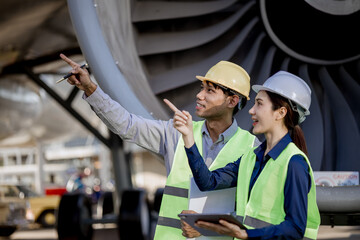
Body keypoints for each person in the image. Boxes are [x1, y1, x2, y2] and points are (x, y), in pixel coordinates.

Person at [60, 54, 260, 240]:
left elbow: (253, 214)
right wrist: (90, 88)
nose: (199, 95)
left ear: (232, 100)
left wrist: (206, 227)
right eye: (202, 88)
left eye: (210, 91)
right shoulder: (175, 133)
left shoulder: (252, 148)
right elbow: (128, 125)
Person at [170, 71, 320, 239]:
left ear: (281, 112)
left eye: (259, 104)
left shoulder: (294, 162)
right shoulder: (251, 158)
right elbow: (208, 182)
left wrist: (247, 234)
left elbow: (294, 229)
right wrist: (188, 137)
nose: (251, 111)